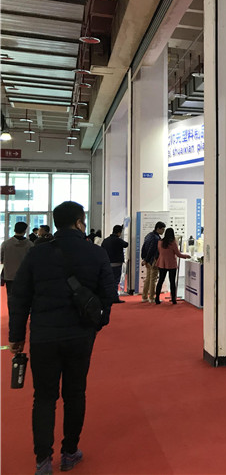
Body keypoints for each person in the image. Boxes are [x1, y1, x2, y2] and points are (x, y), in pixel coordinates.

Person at [8, 201, 116, 475]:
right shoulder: (96, 253)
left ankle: (43, 460)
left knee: (44, 397)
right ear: (79, 222)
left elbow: (20, 297)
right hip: (80, 334)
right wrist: (98, 323)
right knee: (75, 393)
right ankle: (70, 452)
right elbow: (108, 294)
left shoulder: (37, 253)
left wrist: (16, 336)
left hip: (43, 335)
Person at [154, 227, 189, 305]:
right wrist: (186, 256)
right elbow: (178, 254)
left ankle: (157, 298)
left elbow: (159, 252)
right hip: (171, 264)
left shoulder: (160, 242)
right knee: (172, 282)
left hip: (162, 263)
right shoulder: (173, 243)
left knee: (160, 281)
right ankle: (173, 299)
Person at [1, 221, 33, 301]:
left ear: (14, 230)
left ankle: (11, 309)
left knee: (11, 296)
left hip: (9, 275)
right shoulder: (30, 245)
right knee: (24, 298)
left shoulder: (6, 244)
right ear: (25, 231)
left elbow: (1, 259)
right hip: (25, 275)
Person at [101, 225, 128, 304]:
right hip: (117, 264)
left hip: (107, 263)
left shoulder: (106, 240)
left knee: (108, 281)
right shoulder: (118, 240)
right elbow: (126, 244)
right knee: (116, 281)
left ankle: (108, 297)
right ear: (119, 232)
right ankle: (114, 298)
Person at [140, 222, 165, 303]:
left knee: (148, 278)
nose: (163, 231)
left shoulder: (149, 235)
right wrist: (147, 259)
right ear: (158, 228)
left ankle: (144, 297)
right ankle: (151, 297)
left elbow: (143, 247)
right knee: (153, 279)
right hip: (153, 260)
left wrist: (144, 258)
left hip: (147, 260)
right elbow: (151, 250)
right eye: (162, 229)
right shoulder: (156, 238)